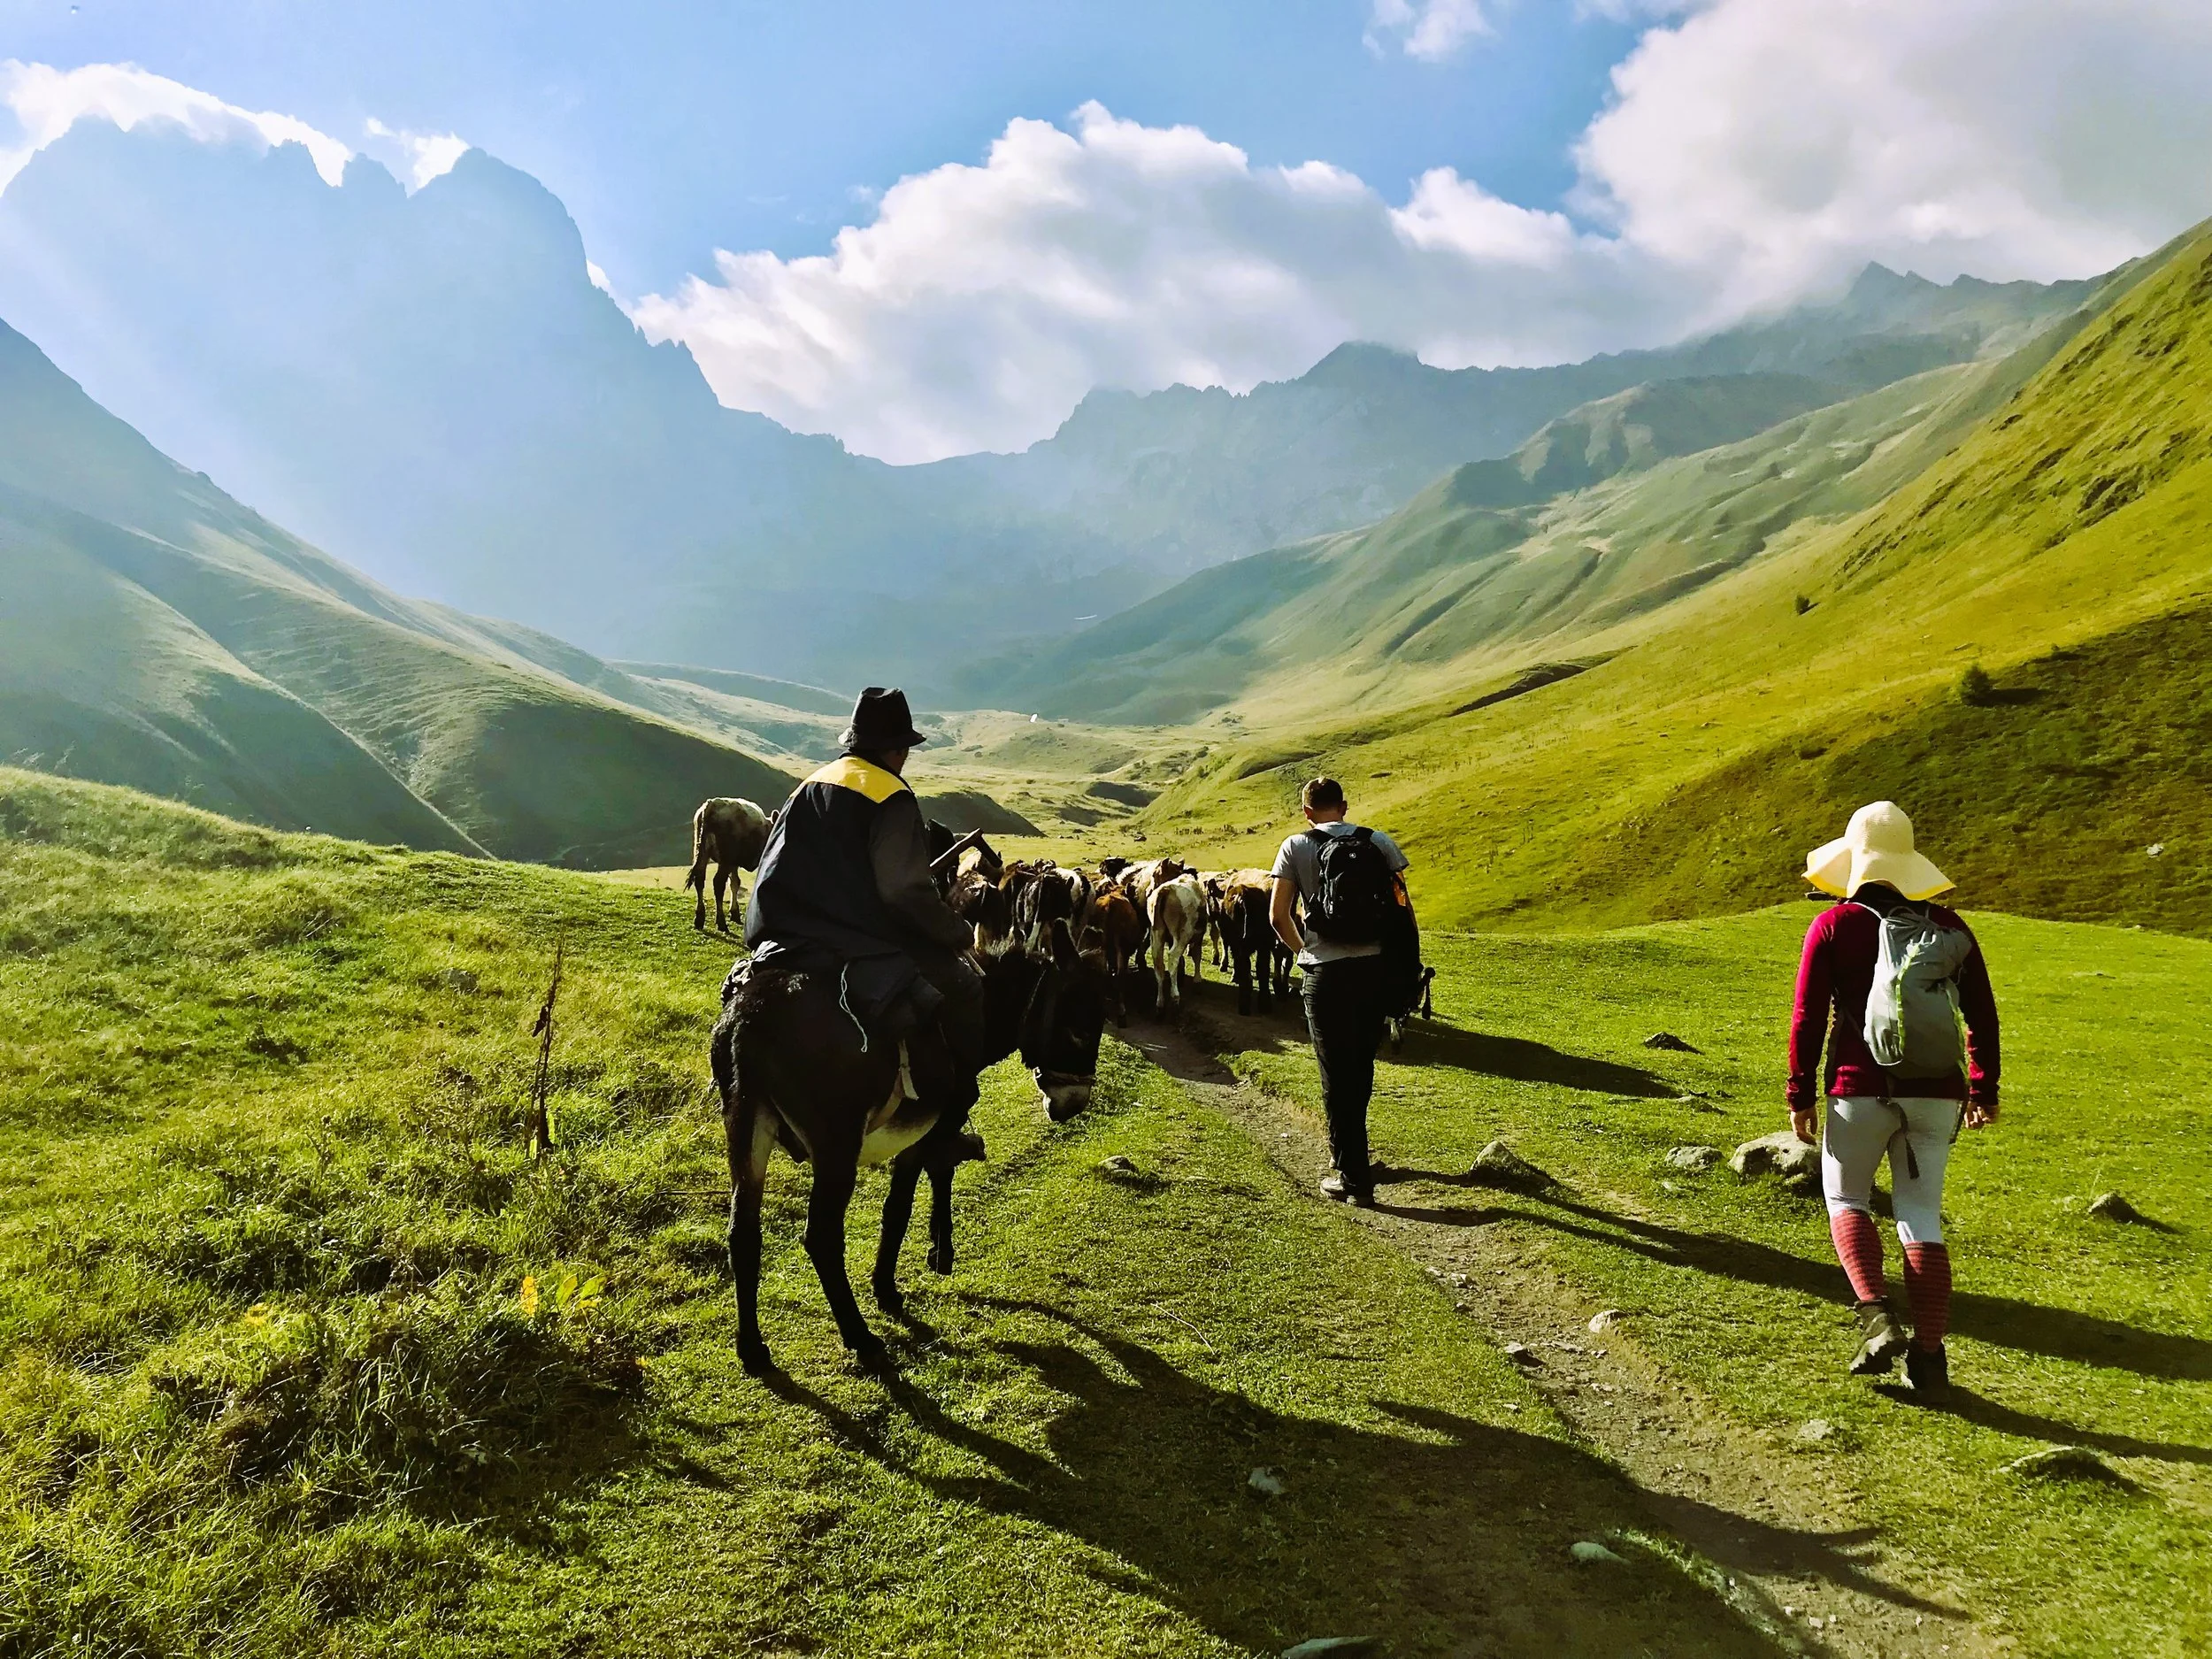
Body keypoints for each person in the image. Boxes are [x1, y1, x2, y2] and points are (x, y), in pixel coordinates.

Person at [1788, 801, 2001, 1400]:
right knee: (1920, 1216)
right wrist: (1983, 1088)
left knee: (1846, 1197)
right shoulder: (1950, 929)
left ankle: (1877, 1316)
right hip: (1935, 1095)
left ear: (1855, 860)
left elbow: (1807, 1018)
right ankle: (1930, 1359)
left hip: (1857, 1089)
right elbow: (1982, 1015)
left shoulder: (1832, 925)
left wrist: (1799, 1091)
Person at [744, 687, 987, 1109]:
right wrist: (955, 931)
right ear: (898, 749)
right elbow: (902, 892)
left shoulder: (812, 782)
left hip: (782, 935)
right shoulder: (890, 794)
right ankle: (951, 1113)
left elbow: (773, 862)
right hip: (854, 939)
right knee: (966, 987)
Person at [1270, 777, 1412, 1205]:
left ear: (1306, 812)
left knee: (1335, 1073)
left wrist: (1304, 952)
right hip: (1373, 971)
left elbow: (1278, 916)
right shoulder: (1378, 842)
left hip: (1325, 974)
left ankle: (1353, 1179)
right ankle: (1351, 1158)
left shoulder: (1295, 846)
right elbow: (1404, 911)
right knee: (1361, 1068)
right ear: (1345, 806)